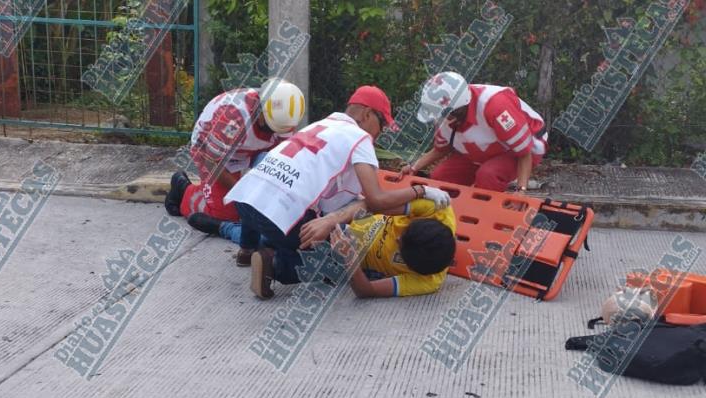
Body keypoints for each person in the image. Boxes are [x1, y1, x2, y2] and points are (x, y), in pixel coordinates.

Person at [224, 85, 452, 298]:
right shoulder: (361, 138)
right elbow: (376, 199)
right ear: (367, 114)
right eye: (381, 125)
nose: (380, 133)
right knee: (332, 263)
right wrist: (421, 190)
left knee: (303, 217)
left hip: (244, 199)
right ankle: (275, 262)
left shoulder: (322, 124)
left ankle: (248, 249)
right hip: (278, 216)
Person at [164, 78, 305, 249]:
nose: (275, 132)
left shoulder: (283, 115)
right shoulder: (231, 118)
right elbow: (212, 162)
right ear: (259, 109)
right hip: (212, 153)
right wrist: (243, 192)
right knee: (226, 212)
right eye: (270, 127)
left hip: (249, 148)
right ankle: (184, 190)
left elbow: (284, 156)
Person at [401, 71, 547, 193]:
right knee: (441, 178)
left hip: (526, 145)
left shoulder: (495, 106)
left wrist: (521, 190)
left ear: (459, 108)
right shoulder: (447, 115)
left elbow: (524, 153)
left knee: (488, 175)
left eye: (445, 114)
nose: (442, 119)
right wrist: (414, 167)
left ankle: (489, 215)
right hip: (486, 147)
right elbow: (441, 149)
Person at [298, 198, 456, 298]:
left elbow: (366, 291)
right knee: (307, 222)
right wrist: (331, 221)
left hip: (349, 257)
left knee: (300, 261)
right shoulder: (438, 209)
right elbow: (372, 204)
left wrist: (349, 260)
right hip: (352, 214)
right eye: (404, 231)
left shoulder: (427, 282)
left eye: (399, 246)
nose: (397, 237)